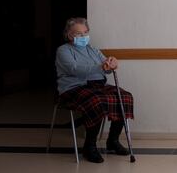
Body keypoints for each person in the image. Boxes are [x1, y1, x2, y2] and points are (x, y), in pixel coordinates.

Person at [55, 17, 134, 163]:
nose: (83, 36)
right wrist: (100, 67)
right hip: (73, 88)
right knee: (96, 101)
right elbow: (75, 69)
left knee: (125, 97)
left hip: (97, 86)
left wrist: (111, 64)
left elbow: (106, 68)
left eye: (85, 32)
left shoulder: (93, 50)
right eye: (79, 34)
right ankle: (89, 147)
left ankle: (113, 141)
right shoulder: (63, 50)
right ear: (69, 34)